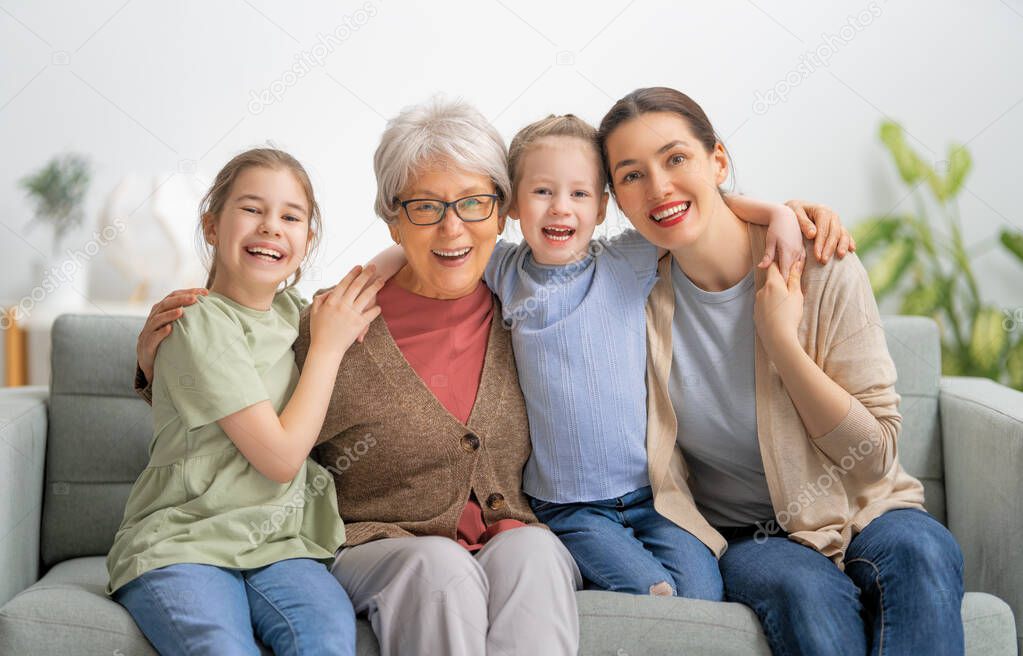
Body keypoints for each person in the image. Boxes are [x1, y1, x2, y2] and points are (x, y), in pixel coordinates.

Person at [134, 99, 854, 656]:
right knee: (437, 569)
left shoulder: (524, 295)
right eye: (424, 207)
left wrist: (785, 213)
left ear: (497, 211)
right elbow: (239, 366)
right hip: (381, 545)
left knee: (539, 550)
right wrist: (149, 359)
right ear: (392, 219)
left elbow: (683, 227)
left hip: (521, 526)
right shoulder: (336, 320)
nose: (452, 229)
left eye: (472, 203)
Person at [368, 112, 822, 601]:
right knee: (655, 592)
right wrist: (370, 274)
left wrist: (779, 213)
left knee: (703, 594)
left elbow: (702, 206)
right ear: (512, 207)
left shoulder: (627, 260)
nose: (561, 208)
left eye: (579, 194)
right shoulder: (506, 269)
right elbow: (435, 242)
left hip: (654, 497)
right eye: (542, 192)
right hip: (569, 507)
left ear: (603, 207)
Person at [599, 86, 965, 655]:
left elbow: (875, 459)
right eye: (631, 175)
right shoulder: (630, 291)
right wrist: (774, 208)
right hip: (752, 536)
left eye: (676, 159)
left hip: (868, 510)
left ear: (717, 159)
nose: (659, 187)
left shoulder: (818, 263)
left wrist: (782, 345)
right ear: (618, 200)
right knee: (802, 590)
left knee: (923, 552)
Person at [109, 148, 379, 655]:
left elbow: (384, 273)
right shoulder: (196, 319)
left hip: (282, 546)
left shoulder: (294, 312)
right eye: (252, 209)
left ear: (307, 240)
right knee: (220, 647)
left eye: (290, 216)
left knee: (326, 637)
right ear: (212, 227)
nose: (271, 227)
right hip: (184, 543)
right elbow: (278, 460)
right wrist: (327, 347)